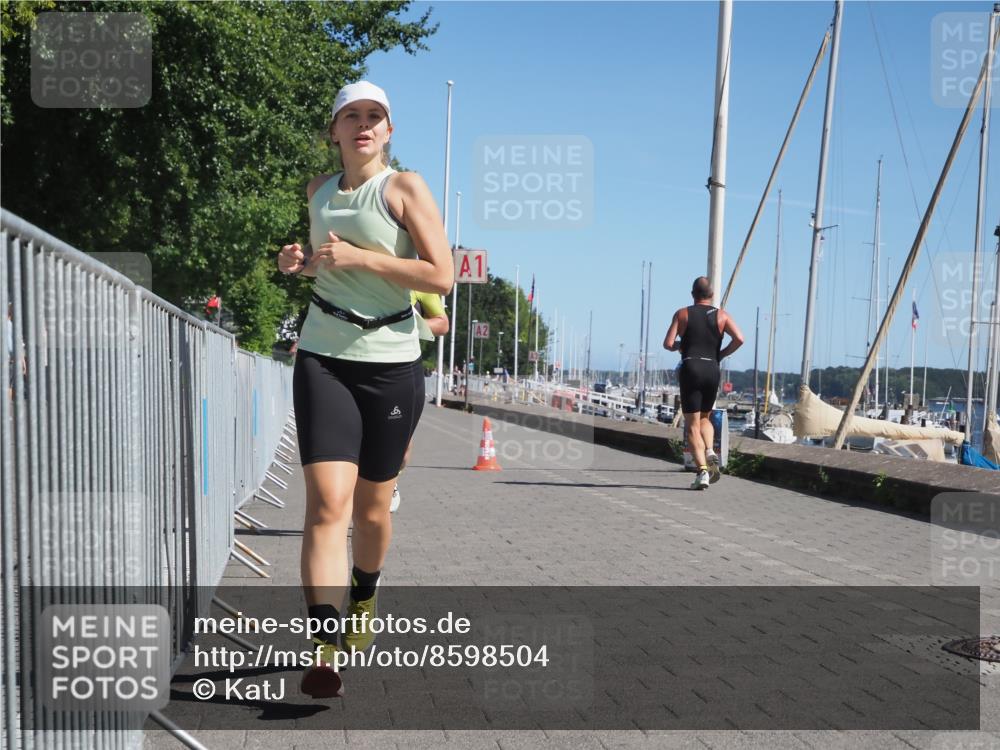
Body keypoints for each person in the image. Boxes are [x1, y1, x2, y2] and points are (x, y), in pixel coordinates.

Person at [277, 81, 452, 698]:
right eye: (351, 116)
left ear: (389, 130)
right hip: (323, 356)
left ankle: (366, 590)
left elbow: (442, 275)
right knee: (327, 505)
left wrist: (362, 258)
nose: (363, 125)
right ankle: (324, 648)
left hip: (391, 364)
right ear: (334, 129)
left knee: (372, 511)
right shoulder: (318, 191)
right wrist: (298, 264)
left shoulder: (404, 188)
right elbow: (326, 262)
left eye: (375, 116)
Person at [663, 276, 744, 490]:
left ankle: (702, 472)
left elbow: (668, 343)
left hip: (691, 367)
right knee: (705, 417)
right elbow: (740, 338)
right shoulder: (722, 315)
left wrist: (680, 345)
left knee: (692, 424)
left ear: (693, 294)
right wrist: (721, 354)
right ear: (712, 295)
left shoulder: (682, 314)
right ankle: (709, 450)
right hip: (712, 368)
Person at [390, 290, 449, 513]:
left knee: (403, 447)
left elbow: (442, 324)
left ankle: (392, 480)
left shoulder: (417, 284)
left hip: (401, 369)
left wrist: (404, 324)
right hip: (358, 365)